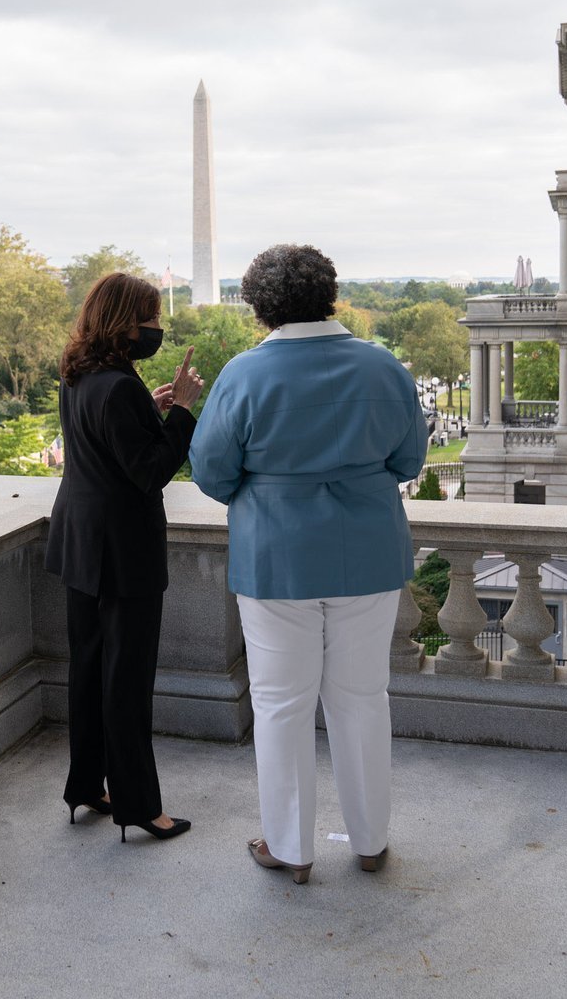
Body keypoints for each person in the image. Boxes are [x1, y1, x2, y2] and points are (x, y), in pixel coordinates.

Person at [188, 244, 427, 884]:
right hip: (369, 553)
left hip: (277, 558)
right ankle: (371, 840)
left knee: (281, 705)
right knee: (362, 700)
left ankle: (291, 848)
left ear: (261, 306)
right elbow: (409, 462)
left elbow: (212, 473)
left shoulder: (243, 375)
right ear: (329, 293)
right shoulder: (384, 368)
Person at [45, 272, 204, 842]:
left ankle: (86, 785)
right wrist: (183, 409)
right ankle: (139, 805)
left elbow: (112, 445)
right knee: (126, 681)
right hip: (123, 552)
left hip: (79, 542)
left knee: (87, 669)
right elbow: (151, 471)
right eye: (152, 318)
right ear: (126, 323)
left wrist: (150, 405)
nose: (158, 329)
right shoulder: (118, 386)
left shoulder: (79, 375)